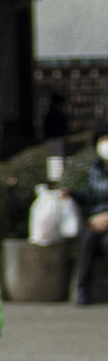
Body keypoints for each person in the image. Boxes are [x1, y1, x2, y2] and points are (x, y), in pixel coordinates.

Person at [73, 131, 108, 307]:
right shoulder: (95, 169)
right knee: (88, 240)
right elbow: (90, 196)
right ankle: (82, 290)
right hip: (96, 221)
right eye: (103, 140)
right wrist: (70, 194)